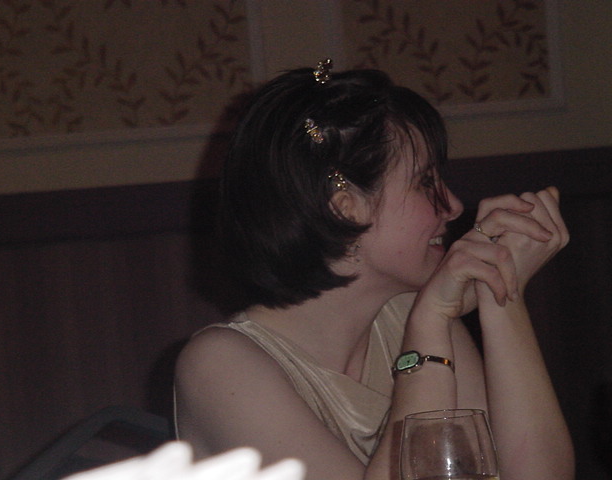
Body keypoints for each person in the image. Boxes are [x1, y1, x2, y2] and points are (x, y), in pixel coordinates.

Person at [174, 59, 574, 480]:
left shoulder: (408, 313)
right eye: (425, 182)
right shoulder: (220, 366)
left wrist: (501, 286)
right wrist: (429, 324)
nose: (454, 205)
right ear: (345, 209)